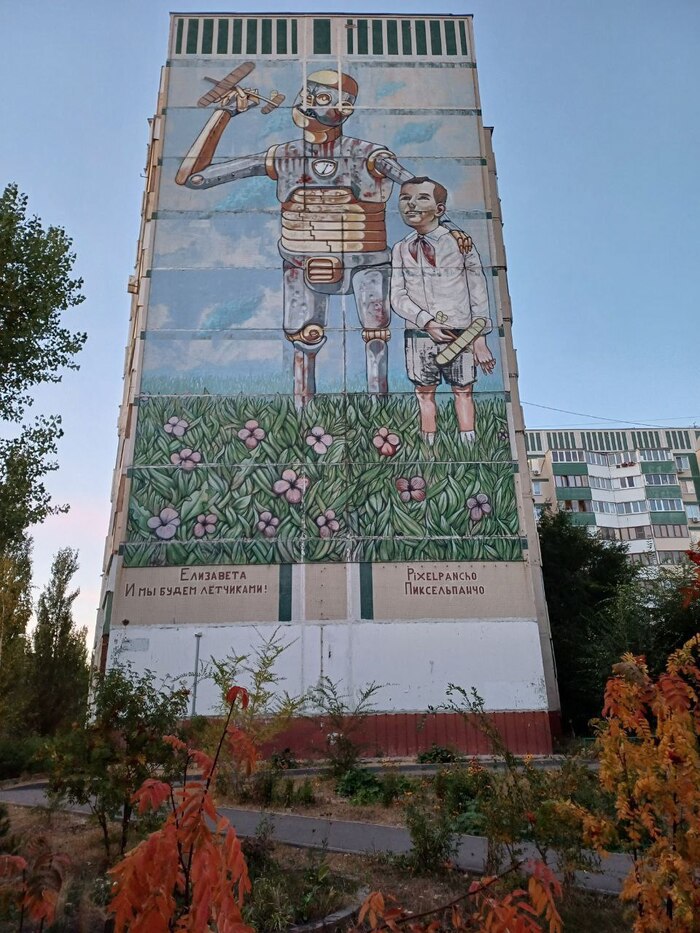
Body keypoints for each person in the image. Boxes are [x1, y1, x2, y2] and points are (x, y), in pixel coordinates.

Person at [390, 177, 496, 445]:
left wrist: (480, 338)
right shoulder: (401, 248)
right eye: (405, 198)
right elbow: (397, 296)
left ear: (439, 209)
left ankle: (468, 444)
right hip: (419, 334)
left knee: (463, 390)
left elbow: (478, 289)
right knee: (424, 391)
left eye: (422, 198)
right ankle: (429, 445)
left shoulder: (460, 243)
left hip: (461, 332)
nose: (411, 204)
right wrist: (426, 321)